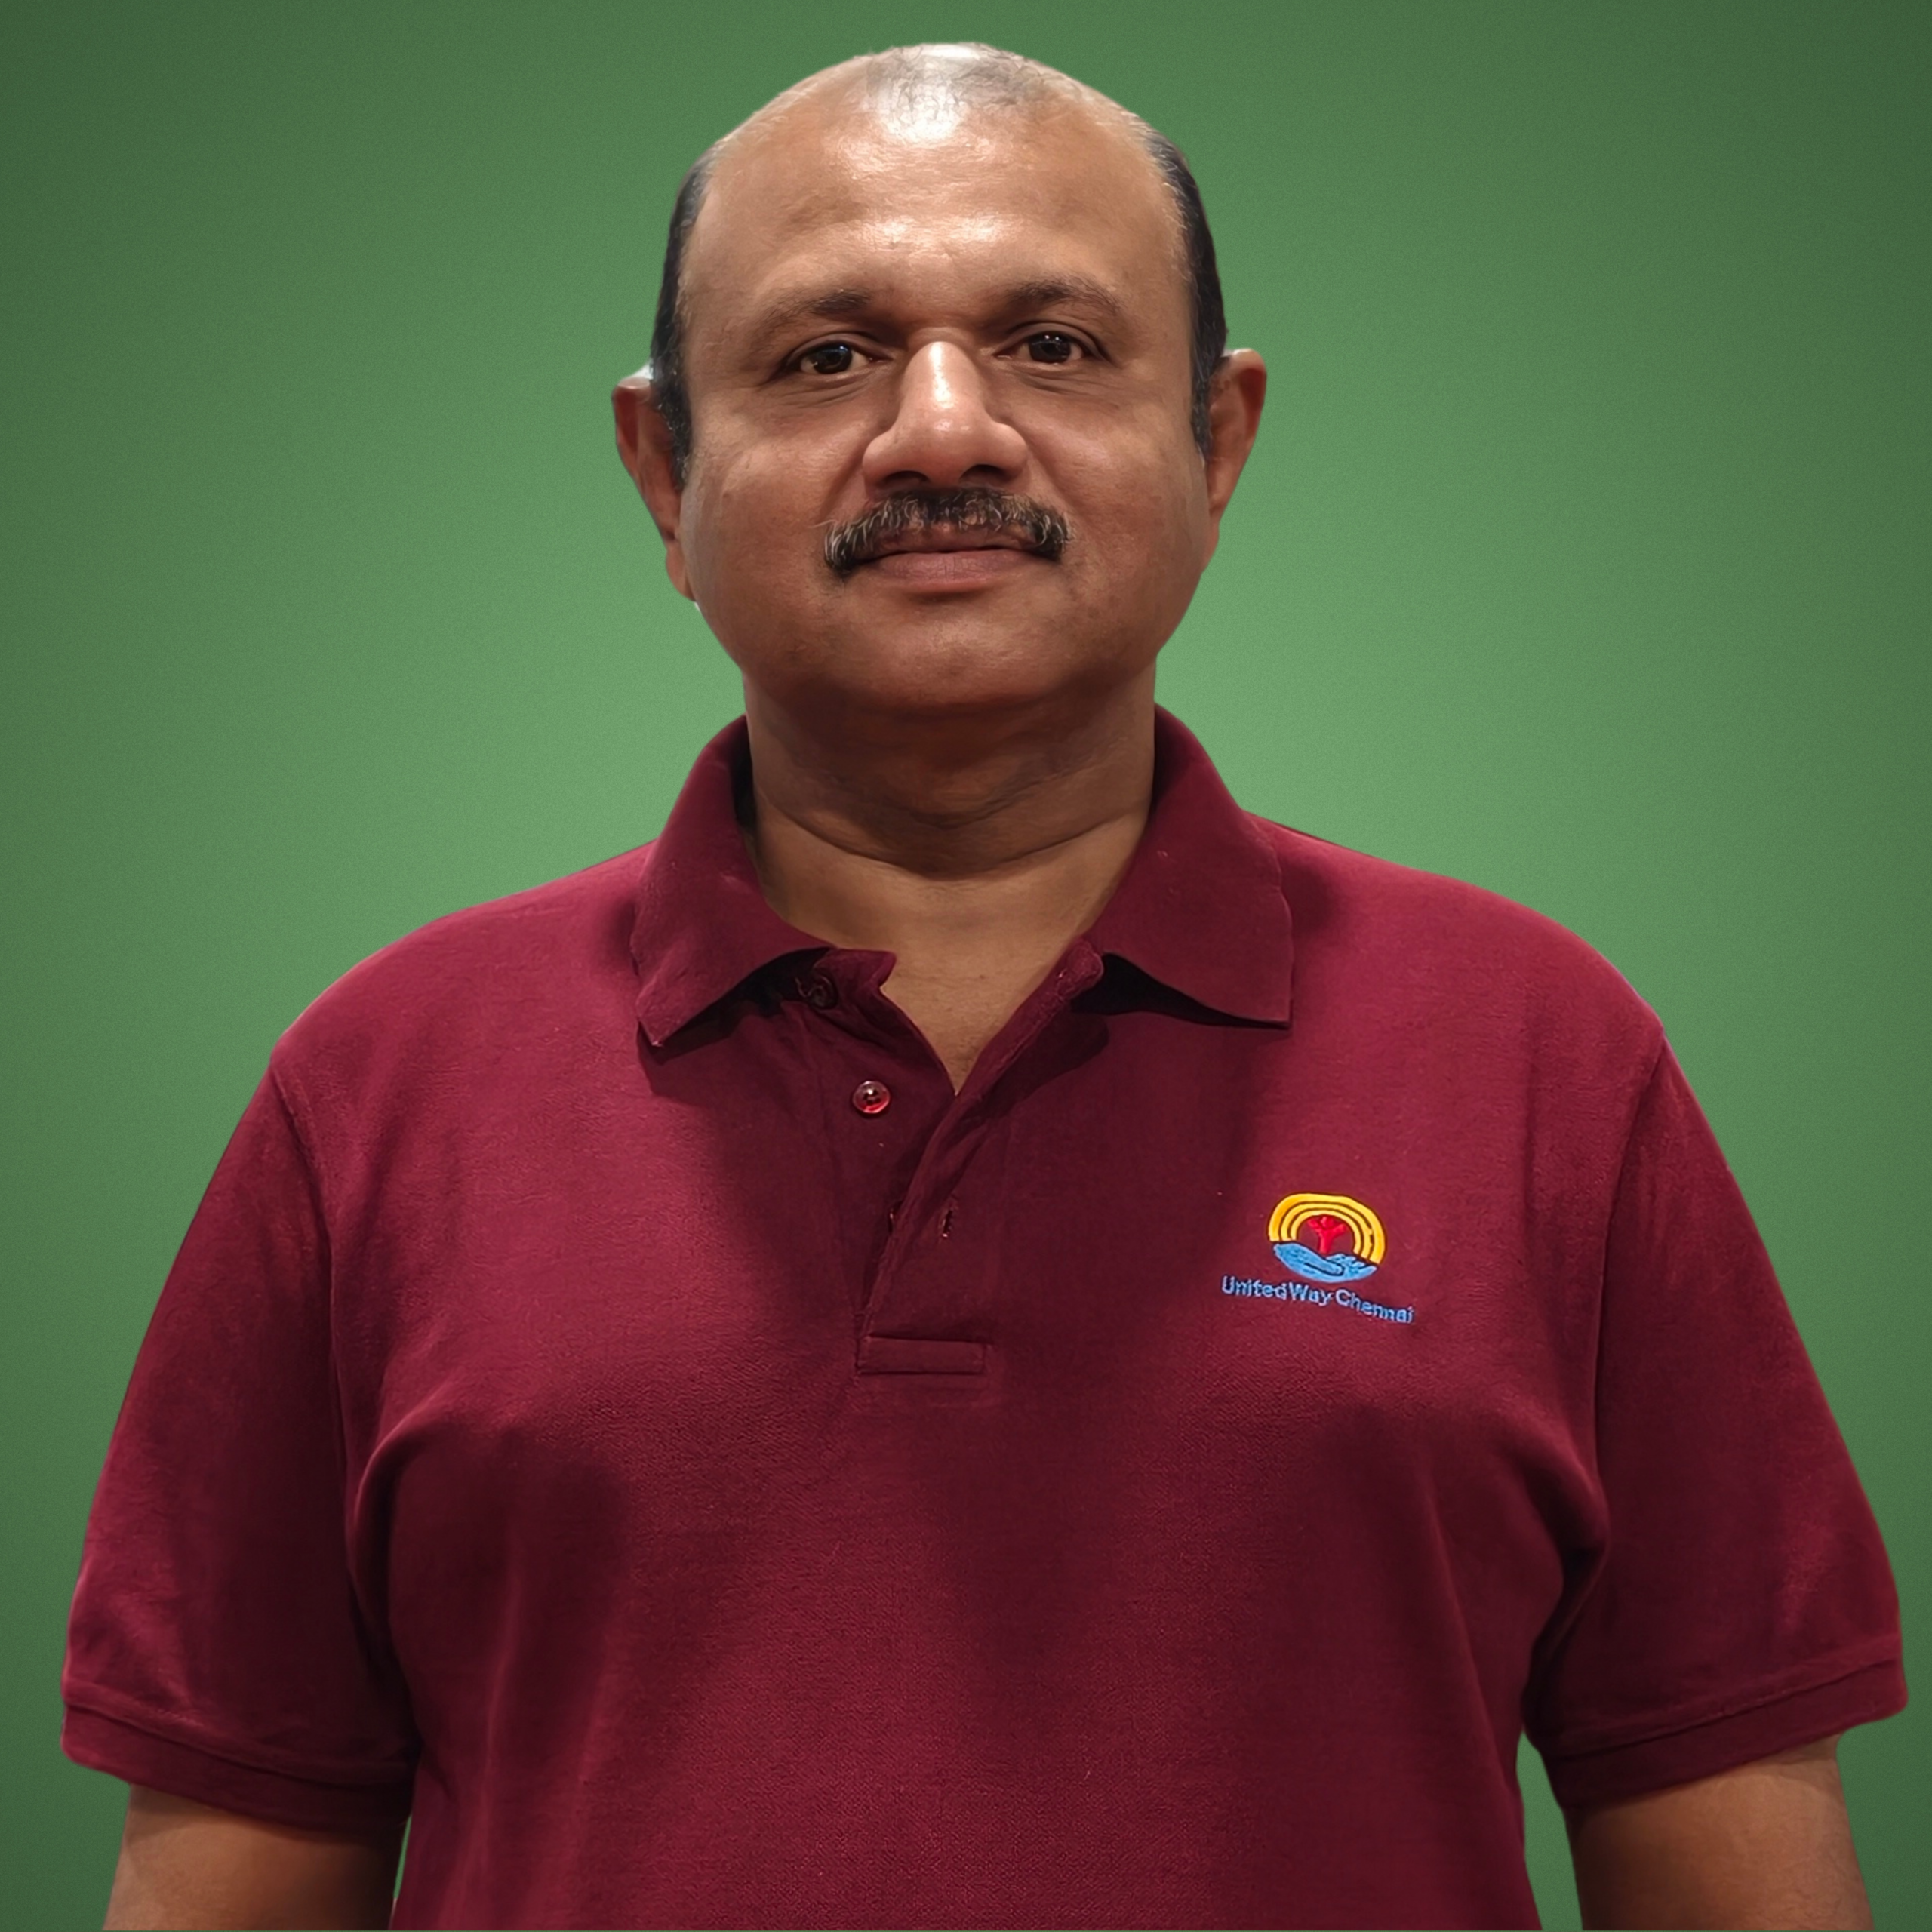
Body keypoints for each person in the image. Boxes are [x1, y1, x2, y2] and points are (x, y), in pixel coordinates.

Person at [64, 42, 1903, 1932]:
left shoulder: (1539, 1056)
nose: (942, 432)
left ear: (1217, 440)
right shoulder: (377, 1086)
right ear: (661, 468)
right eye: (824, 356)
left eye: (1051, 344)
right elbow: (239, 1848)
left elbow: (1715, 1814)